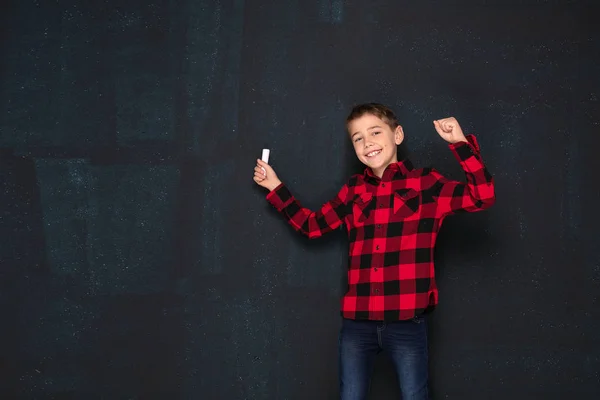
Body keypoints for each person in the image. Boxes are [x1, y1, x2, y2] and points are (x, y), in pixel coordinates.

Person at [253, 103, 495, 400]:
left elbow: (482, 196)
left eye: (375, 132)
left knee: (414, 395)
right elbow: (311, 226)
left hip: (407, 322)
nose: (367, 142)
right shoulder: (354, 189)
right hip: (358, 324)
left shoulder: (427, 184)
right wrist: (274, 186)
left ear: (398, 135)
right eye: (357, 138)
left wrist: (459, 144)